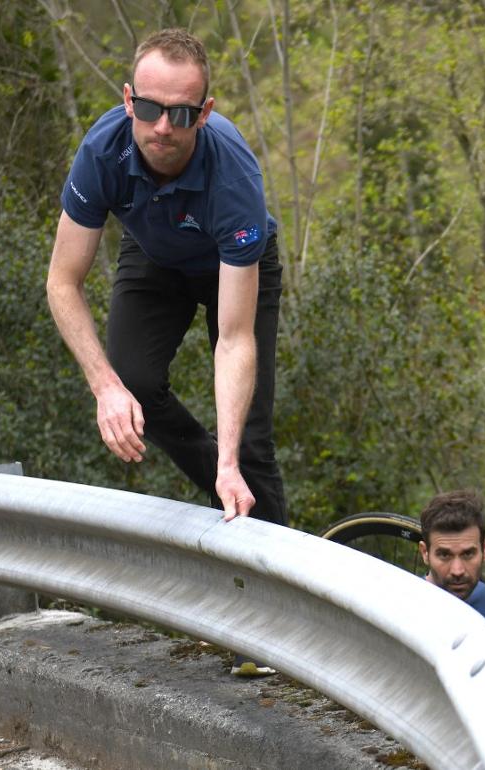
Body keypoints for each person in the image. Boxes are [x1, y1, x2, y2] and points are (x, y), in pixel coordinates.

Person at [46, 28, 284, 677]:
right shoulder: (101, 151)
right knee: (133, 377)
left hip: (234, 267)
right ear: (129, 101)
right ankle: (222, 483)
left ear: (203, 114)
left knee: (253, 448)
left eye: (179, 114)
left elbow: (233, 339)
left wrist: (230, 457)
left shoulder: (233, 176)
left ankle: (272, 623)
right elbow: (61, 282)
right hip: (152, 256)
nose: (161, 126)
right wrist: (105, 388)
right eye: (148, 108)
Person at [418, 490, 485, 634]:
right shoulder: (410, 612)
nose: (457, 571)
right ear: (425, 553)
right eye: (444, 555)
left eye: (468, 554)